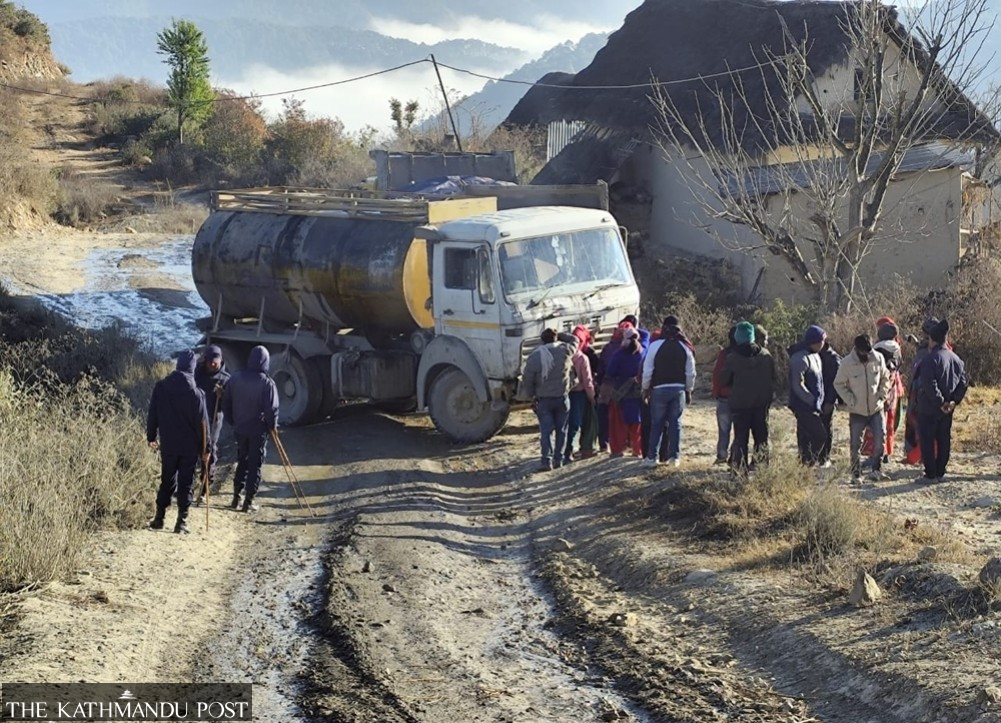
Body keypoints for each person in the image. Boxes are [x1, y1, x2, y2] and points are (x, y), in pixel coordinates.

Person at [147, 350, 209, 535]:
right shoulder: (196, 394)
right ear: (192, 367)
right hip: (189, 446)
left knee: (167, 479)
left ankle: (159, 518)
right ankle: (181, 522)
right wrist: (206, 449)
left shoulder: (161, 387)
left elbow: (153, 413)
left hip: (168, 443)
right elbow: (203, 425)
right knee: (186, 482)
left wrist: (151, 436)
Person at [222, 345, 280, 511]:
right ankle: (249, 500)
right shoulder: (267, 383)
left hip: (240, 428)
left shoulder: (235, 378)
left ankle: (236, 497)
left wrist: (232, 421)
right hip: (257, 430)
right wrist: (272, 426)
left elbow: (226, 401)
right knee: (255, 464)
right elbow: (272, 410)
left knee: (242, 460)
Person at [913, 319, 967, 483]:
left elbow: (929, 384)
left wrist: (940, 402)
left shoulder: (930, 359)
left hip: (929, 408)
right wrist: (953, 402)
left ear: (932, 340)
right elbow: (963, 384)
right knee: (944, 440)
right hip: (948, 409)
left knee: (927, 441)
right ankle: (940, 471)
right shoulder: (957, 359)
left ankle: (930, 474)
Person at [834, 334, 892, 483]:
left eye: (868, 351)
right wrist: (850, 400)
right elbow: (838, 384)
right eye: (863, 352)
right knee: (855, 445)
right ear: (857, 349)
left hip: (876, 409)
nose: (866, 355)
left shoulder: (878, 358)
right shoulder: (847, 363)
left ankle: (876, 470)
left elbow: (885, 377)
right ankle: (856, 474)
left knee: (880, 440)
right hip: (857, 411)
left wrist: (882, 395)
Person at [520, 328, 580, 471]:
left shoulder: (535, 356)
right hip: (562, 397)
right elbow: (575, 340)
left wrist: (531, 395)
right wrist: (561, 335)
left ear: (542, 340)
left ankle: (546, 461)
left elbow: (527, 379)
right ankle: (558, 459)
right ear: (556, 338)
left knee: (546, 432)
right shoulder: (565, 350)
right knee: (562, 430)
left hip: (544, 399)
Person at [720, 321, 775, 473]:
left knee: (740, 439)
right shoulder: (766, 355)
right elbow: (774, 377)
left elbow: (723, 380)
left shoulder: (732, 358)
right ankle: (761, 469)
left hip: (740, 404)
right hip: (761, 403)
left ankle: (739, 470)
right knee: (761, 437)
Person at [641, 317, 696, 467]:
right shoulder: (685, 346)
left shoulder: (655, 346)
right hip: (678, 389)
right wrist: (689, 390)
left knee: (657, 424)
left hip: (659, 389)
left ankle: (652, 458)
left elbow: (647, 370)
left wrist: (645, 388)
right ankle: (674, 457)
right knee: (675, 423)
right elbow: (690, 373)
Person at [193, 344, 231, 505]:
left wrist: (223, 396)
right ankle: (189, 486)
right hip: (196, 419)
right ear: (206, 360)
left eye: (216, 360)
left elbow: (229, 405)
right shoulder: (197, 374)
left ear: (221, 360)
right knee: (194, 450)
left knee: (209, 451)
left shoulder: (226, 379)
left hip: (214, 419)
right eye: (210, 360)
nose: (213, 363)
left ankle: (205, 487)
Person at [603, 323, 645, 458]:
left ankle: (617, 450)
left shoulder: (619, 354)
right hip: (638, 391)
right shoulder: (643, 352)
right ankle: (637, 450)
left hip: (620, 392)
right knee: (637, 422)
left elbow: (610, 372)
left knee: (618, 423)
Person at [788, 325, 827, 466]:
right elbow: (797, 385)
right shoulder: (799, 358)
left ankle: (803, 466)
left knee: (806, 437)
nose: (824, 344)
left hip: (813, 405)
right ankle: (808, 463)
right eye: (822, 341)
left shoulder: (815, 355)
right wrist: (812, 400)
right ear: (815, 342)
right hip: (803, 405)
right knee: (820, 436)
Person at [563, 325, 596, 464]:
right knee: (575, 424)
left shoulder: (562, 355)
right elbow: (587, 380)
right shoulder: (582, 358)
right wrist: (591, 396)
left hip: (563, 393)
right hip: (578, 395)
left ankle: (561, 451)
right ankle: (569, 451)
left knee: (563, 424)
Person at [872, 321, 904, 463]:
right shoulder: (897, 349)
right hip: (893, 388)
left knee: (879, 420)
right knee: (890, 419)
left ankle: (879, 452)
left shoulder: (877, 350)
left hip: (880, 387)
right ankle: (887, 451)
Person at [710, 326, 738, 464]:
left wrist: (716, 392)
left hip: (724, 397)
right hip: (741, 398)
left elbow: (717, 374)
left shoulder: (724, 354)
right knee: (740, 431)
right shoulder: (747, 354)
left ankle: (722, 455)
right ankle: (735, 455)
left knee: (723, 430)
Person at [818, 336, 842, 467]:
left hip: (827, 399)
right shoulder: (815, 354)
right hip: (816, 398)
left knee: (826, 428)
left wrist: (830, 401)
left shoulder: (833, 359)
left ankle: (825, 457)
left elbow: (836, 383)